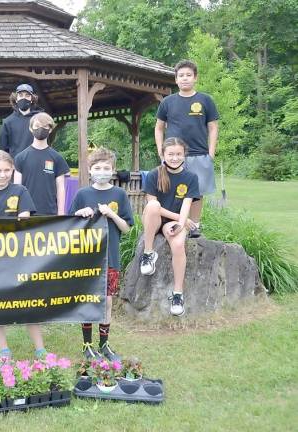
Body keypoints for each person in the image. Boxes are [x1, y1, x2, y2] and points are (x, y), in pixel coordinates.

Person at [0, 150, 46, 360]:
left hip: (19, 259)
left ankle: (40, 348)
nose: (2, 174)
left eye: (7, 170)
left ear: (13, 170)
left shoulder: (21, 191)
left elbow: (23, 220)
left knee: (28, 303)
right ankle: (4, 349)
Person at [70, 148, 134, 361]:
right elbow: (69, 225)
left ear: (113, 170)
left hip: (111, 257)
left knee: (106, 301)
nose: (102, 171)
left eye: (106, 168)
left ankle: (104, 344)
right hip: (86, 258)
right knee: (89, 299)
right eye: (97, 168)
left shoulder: (120, 195)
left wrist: (112, 214)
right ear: (89, 170)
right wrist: (80, 214)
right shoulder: (82, 194)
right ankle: (86, 345)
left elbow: (126, 228)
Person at [155, 60, 219, 238]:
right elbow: (159, 127)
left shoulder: (205, 100)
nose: (185, 78)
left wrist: (211, 154)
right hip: (173, 155)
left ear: (195, 78)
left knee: (197, 193)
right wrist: (161, 150)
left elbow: (213, 127)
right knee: (171, 189)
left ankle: (195, 225)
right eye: (181, 75)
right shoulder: (167, 102)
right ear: (176, 79)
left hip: (199, 154)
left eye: (188, 75)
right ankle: (171, 223)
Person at [140, 137, 199, 316]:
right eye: (171, 154)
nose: (175, 158)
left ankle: (177, 294)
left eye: (179, 154)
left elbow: (187, 204)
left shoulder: (190, 177)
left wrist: (180, 224)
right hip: (154, 218)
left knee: (179, 244)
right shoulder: (153, 174)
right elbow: (153, 205)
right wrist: (182, 220)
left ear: (184, 155)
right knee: (152, 206)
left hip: (173, 222)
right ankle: (149, 253)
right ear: (163, 154)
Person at [13, 112, 70, 216]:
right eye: (37, 126)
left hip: (50, 213)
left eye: (45, 126)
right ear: (31, 128)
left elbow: (61, 188)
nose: (41, 129)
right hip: (26, 213)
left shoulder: (57, 158)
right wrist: (19, 211)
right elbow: (17, 188)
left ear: (50, 129)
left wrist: (61, 212)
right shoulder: (20, 158)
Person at [0, 83, 44, 158]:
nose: (24, 98)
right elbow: (3, 149)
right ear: (16, 99)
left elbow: (45, 143)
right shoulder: (8, 122)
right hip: (15, 165)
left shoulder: (40, 119)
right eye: (21, 95)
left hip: (36, 161)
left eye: (27, 95)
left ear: (32, 99)